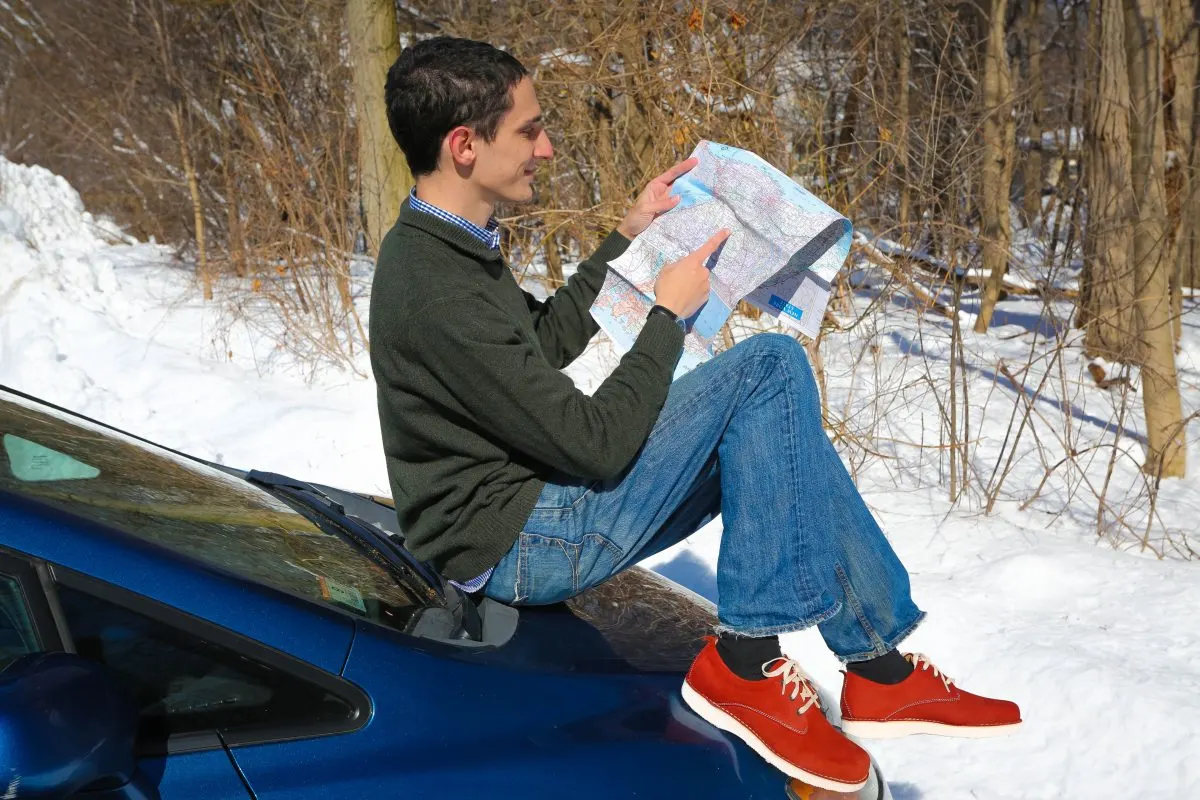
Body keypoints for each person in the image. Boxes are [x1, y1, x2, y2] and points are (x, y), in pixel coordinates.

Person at [370, 36, 1021, 793]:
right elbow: (595, 445)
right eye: (528, 130)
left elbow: (539, 344)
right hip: (520, 541)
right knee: (769, 368)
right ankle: (748, 665)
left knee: (775, 423)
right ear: (464, 146)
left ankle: (878, 668)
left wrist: (629, 236)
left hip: (526, 510)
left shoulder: (446, 245)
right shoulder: (434, 285)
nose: (546, 148)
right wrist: (665, 317)